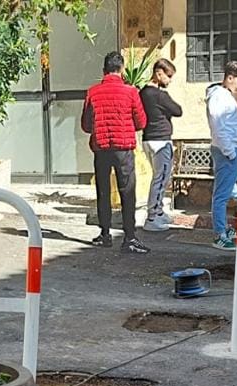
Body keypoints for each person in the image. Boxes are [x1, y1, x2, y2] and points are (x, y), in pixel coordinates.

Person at [82, 51, 149, 253]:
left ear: (104, 70)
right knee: (127, 191)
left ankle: (105, 234)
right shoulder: (131, 92)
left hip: (101, 147)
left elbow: (86, 125)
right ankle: (129, 237)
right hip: (124, 148)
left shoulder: (92, 92)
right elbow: (141, 122)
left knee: (103, 191)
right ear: (122, 70)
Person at [205, 60, 237, 250]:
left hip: (230, 149)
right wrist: (230, 152)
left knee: (227, 190)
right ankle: (219, 234)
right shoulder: (219, 97)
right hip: (226, 151)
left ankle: (223, 228)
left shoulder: (224, 96)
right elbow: (218, 126)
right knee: (222, 195)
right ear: (230, 78)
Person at [139, 58, 183, 232]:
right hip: (161, 141)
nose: (170, 80)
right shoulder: (159, 95)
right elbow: (178, 110)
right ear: (159, 73)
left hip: (148, 139)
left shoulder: (143, 93)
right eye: (168, 76)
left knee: (158, 176)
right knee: (161, 178)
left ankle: (158, 212)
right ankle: (152, 218)